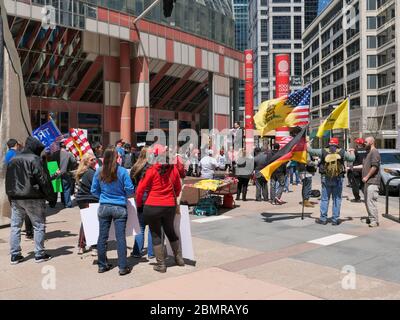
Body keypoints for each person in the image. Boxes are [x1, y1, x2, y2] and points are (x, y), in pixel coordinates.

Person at [6, 136, 53, 264]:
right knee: (38, 225)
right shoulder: (35, 159)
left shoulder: (13, 158)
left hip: (16, 197)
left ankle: (15, 255)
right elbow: (42, 179)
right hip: (33, 196)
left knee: (15, 226)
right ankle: (39, 253)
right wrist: (49, 195)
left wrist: (10, 195)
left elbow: (8, 179)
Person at [135, 148, 184, 273]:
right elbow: (178, 188)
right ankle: (179, 259)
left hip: (152, 206)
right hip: (169, 205)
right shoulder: (173, 170)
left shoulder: (151, 170)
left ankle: (161, 264)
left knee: (156, 234)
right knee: (170, 231)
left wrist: (139, 203)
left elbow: (140, 189)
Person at [91, 147, 134, 276]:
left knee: (102, 237)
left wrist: (103, 197)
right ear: (116, 158)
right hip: (119, 206)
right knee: (120, 238)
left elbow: (93, 190)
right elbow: (130, 189)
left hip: (104, 206)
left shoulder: (99, 171)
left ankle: (102, 265)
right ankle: (122, 267)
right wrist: (123, 196)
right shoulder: (122, 171)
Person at [308, 137, 355, 225]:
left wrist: (308, 143)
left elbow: (309, 151)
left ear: (329, 144)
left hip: (325, 178)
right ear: (337, 144)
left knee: (325, 199)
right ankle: (335, 219)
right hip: (338, 178)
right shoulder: (342, 152)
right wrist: (351, 151)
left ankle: (323, 219)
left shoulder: (322, 151)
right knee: (337, 199)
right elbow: (352, 159)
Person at [130, 147, 154, 259]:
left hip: (138, 199)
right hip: (151, 199)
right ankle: (151, 253)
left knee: (140, 227)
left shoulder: (135, 167)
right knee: (152, 227)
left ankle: (136, 251)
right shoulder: (153, 167)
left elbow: (132, 183)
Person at [353, 137, 381, 227]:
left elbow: (375, 166)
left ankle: (374, 221)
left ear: (372, 142)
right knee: (367, 201)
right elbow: (364, 166)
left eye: (366, 142)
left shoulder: (374, 152)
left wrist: (367, 176)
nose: (364, 143)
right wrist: (352, 168)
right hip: (367, 182)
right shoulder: (368, 153)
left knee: (370, 201)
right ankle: (371, 217)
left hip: (373, 181)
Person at [75, 153, 99, 255]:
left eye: (95, 159)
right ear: (86, 162)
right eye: (92, 160)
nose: (94, 161)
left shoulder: (80, 172)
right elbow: (96, 187)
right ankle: (93, 246)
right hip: (90, 199)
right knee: (92, 223)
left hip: (82, 199)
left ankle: (81, 245)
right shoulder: (90, 173)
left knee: (86, 221)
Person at [56, 141, 77, 208]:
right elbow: (74, 162)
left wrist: (54, 172)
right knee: (66, 188)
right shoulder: (68, 154)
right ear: (65, 147)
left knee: (58, 188)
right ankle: (67, 204)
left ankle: (56, 202)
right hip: (65, 172)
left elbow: (50, 163)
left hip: (56, 173)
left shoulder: (54, 154)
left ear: (59, 146)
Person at [347, 138, 367, 203]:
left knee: (355, 185)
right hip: (364, 170)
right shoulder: (367, 150)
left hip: (356, 169)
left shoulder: (355, 151)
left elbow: (350, 159)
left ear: (358, 143)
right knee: (363, 185)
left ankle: (357, 198)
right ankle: (367, 198)